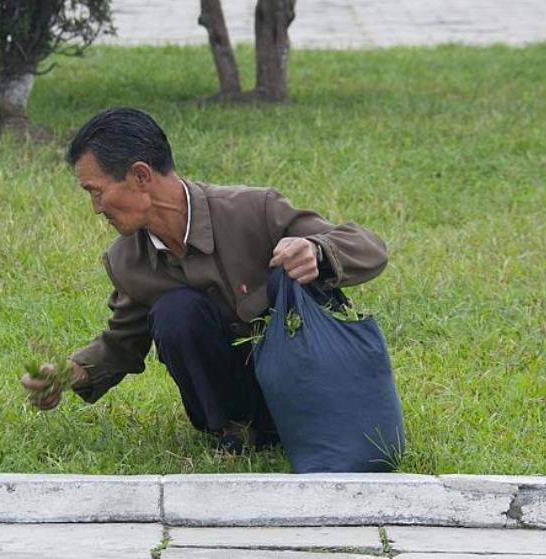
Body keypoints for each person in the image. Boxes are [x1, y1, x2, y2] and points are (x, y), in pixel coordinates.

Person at [21, 107, 388, 452]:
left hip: (306, 390)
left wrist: (316, 250)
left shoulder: (253, 209)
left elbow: (368, 247)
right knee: (175, 312)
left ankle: (299, 421)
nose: (96, 208)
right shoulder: (126, 260)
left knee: (284, 276)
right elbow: (122, 343)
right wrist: (70, 373)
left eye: (96, 191)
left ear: (141, 176)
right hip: (238, 405)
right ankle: (236, 429)